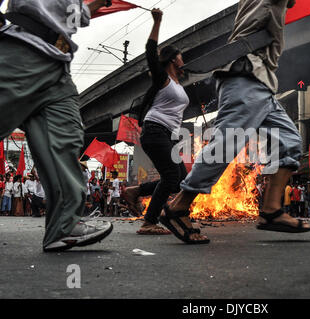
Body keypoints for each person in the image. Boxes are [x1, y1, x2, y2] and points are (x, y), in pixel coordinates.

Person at [160, 0, 310, 244]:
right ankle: (178, 207)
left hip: (260, 83)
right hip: (245, 79)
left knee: (289, 142)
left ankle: (272, 210)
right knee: (224, 146)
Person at [0, 0, 113, 251]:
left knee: (67, 140)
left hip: (57, 67)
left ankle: (64, 226)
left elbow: (75, 16)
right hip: (21, 51)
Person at [124, 8, 189, 235]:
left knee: (181, 180)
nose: (184, 60)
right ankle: (149, 222)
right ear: (173, 59)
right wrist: (157, 21)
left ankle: (135, 191)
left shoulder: (177, 84)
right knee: (171, 177)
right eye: (181, 56)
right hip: (155, 131)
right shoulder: (162, 79)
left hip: (167, 135)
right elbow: (151, 52)